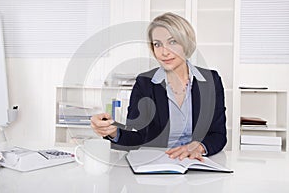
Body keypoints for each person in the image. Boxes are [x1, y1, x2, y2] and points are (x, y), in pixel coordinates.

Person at [91, 12, 227, 161]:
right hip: (157, 164)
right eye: (157, 44)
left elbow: (218, 135)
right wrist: (112, 132)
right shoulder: (145, 83)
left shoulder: (211, 80)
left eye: (172, 42)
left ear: (186, 43)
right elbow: (137, 136)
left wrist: (200, 147)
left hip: (196, 163)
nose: (164, 52)